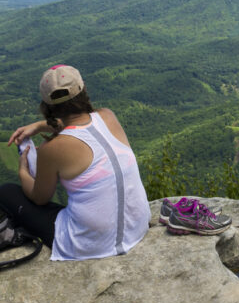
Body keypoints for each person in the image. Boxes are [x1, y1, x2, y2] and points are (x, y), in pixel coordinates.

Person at [0, 64, 150, 261]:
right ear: (83, 89)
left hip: (87, 244)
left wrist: (23, 171)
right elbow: (79, 124)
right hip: (137, 226)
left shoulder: (51, 150)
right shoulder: (108, 116)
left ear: (47, 105)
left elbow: (39, 198)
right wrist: (38, 127)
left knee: (7, 191)